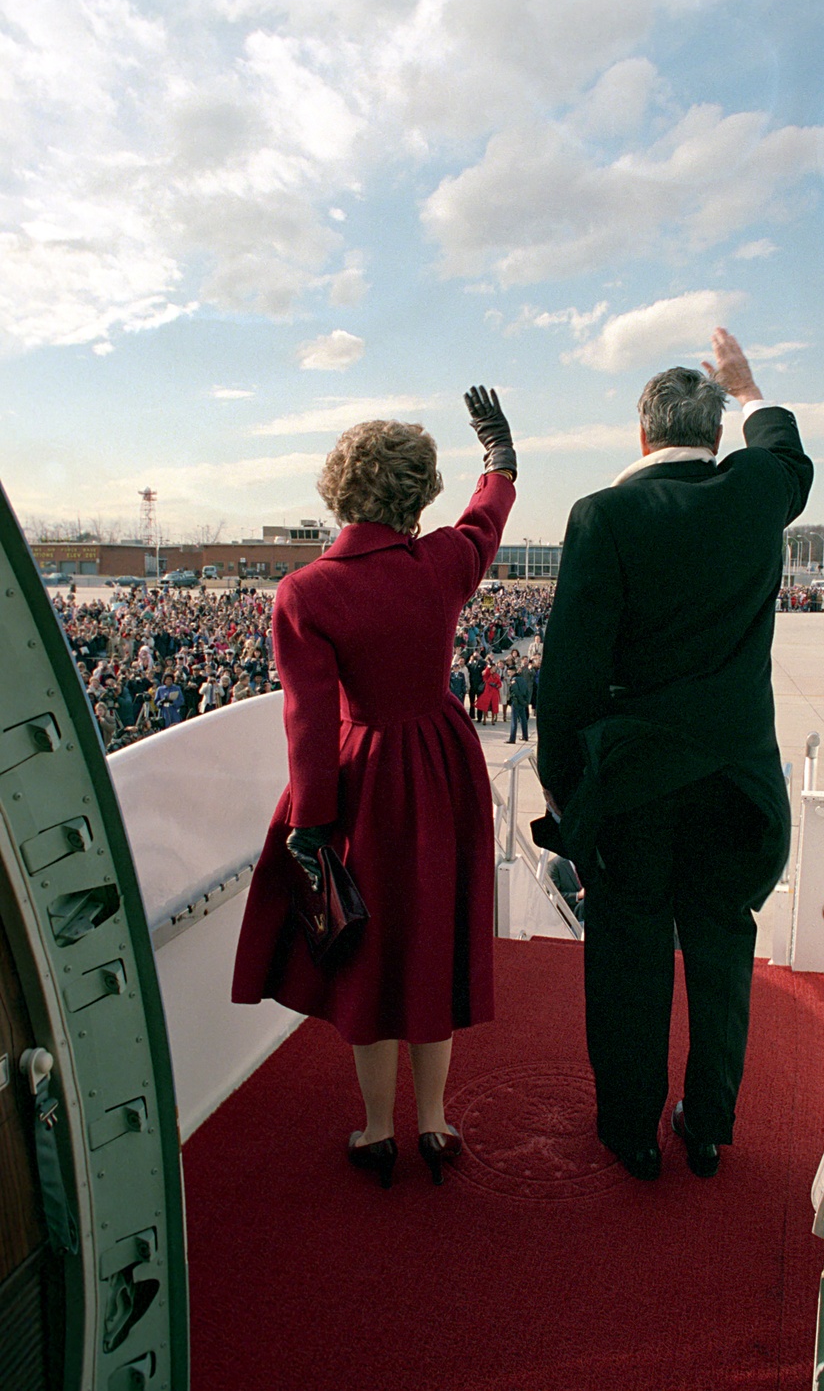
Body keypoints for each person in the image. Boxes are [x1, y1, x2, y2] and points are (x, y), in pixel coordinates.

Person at [536, 328, 813, 1181]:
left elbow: (570, 678)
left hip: (638, 787)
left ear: (641, 432)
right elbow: (784, 456)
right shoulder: (755, 492)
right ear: (717, 429)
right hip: (737, 783)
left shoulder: (605, 515)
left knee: (630, 954)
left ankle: (630, 1130)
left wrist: (568, 791)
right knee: (724, 952)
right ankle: (708, 1125)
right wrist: (750, 384)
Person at [233, 392, 517, 1189]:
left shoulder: (307, 592)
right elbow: (486, 516)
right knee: (431, 939)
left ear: (338, 492)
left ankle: (374, 1131)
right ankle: (433, 1125)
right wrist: (498, 451)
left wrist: (311, 822)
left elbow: (309, 722)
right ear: (417, 493)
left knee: (367, 949)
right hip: (444, 764)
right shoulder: (443, 565)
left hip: (365, 780)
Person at [508, 659, 532, 743]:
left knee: (514, 721)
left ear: (513, 671)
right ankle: (525, 736)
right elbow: (527, 690)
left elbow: (516, 691)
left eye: (510, 672)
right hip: (523, 702)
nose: (509, 673)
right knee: (523, 719)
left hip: (516, 702)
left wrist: (520, 700)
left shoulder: (514, 680)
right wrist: (525, 701)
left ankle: (512, 738)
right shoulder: (522, 679)